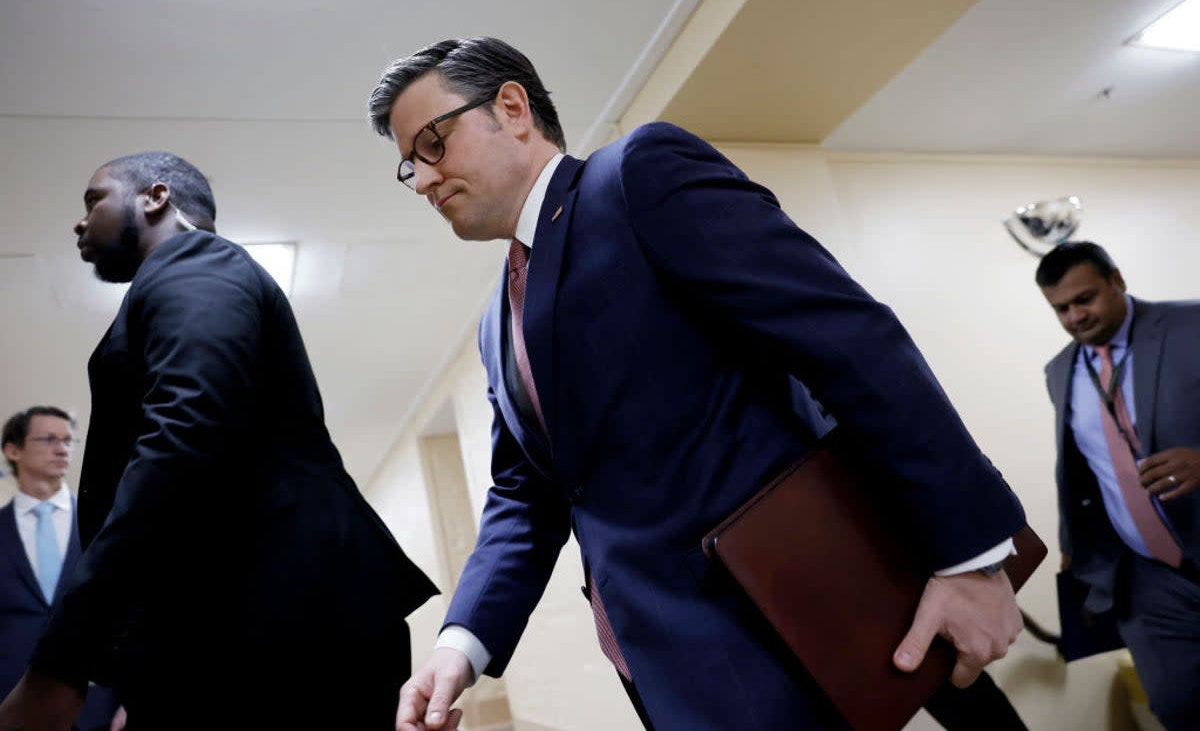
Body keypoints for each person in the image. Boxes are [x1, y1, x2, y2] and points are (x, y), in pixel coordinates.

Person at [368, 37, 1027, 731]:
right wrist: (460, 645)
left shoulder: (635, 178)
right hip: (675, 673)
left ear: (511, 107)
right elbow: (526, 497)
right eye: (411, 166)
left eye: (433, 143)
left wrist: (971, 558)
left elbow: (847, 340)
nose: (425, 178)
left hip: (822, 622)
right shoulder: (495, 330)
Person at [0, 152, 438, 731]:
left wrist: (61, 663)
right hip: (255, 629)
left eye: (93, 201)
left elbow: (184, 434)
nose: (80, 224)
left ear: (155, 197)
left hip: (277, 630)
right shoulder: (190, 275)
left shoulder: (193, 261)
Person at [1037, 241, 1200, 730]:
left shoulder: (1191, 327)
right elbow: (1082, 471)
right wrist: (1074, 548)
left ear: (1118, 280)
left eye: (1085, 299)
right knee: (1176, 709)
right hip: (1148, 580)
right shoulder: (1059, 370)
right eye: (1060, 309)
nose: (1074, 317)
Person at [1, 407, 122, 731]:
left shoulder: (107, 525)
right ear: (13, 450)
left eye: (69, 440)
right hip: (13, 705)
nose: (62, 449)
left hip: (96, 706)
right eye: (49, 439)